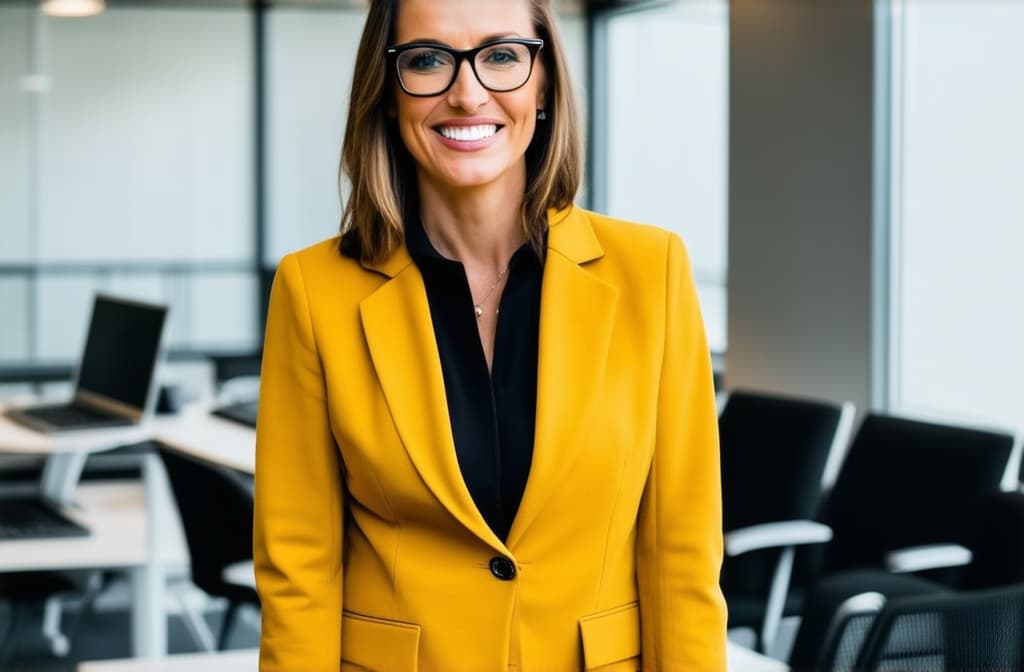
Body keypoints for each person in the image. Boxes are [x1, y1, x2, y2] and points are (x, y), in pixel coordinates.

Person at [253, 0, 727, 669]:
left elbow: (682, 555)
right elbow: (297, 565)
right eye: (426, 60)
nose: (467, 92)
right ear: (387, 94)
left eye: (501, 55)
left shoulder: (654, 274)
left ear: (544, 85)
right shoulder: (313, 289)